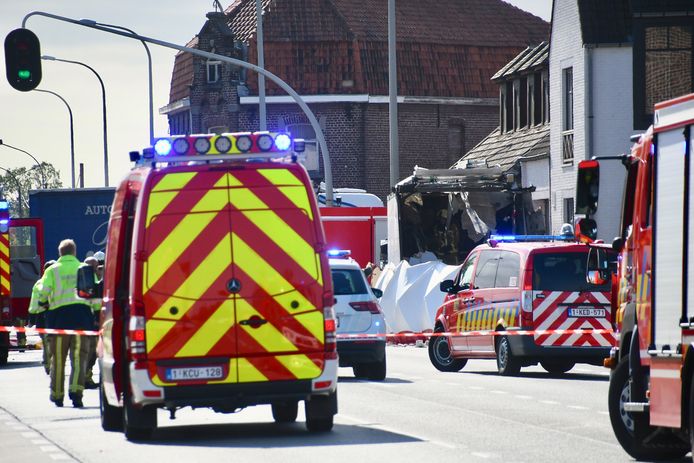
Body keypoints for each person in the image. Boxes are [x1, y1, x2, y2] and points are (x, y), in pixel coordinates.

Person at [39, 239, 93, 408]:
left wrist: (43, 303)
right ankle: (76, 393)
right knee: (79, 358)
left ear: (60, 253)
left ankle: (57, 395)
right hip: (81, 320)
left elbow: (43, 291)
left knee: (59, 359)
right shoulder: (84, 268)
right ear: (74, 252)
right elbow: (93, 294)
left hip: (59, 321)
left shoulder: (52, 270)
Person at [28, 259, 56, 375]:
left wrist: (32, 318)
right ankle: (51, 364)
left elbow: (34, 302)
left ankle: (47, 364)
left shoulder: (38, 283)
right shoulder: (56, 282)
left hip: (41, 317)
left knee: (46, 343)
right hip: (54, 316)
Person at [81, 256, 101, 390]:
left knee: (91, 353)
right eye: (93, 267)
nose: (95, 269)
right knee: (90, 352)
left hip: (89, 321)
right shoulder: (88, 280)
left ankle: (86, 377)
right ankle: (85, 378)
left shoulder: (93, 279)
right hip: (90, 321)